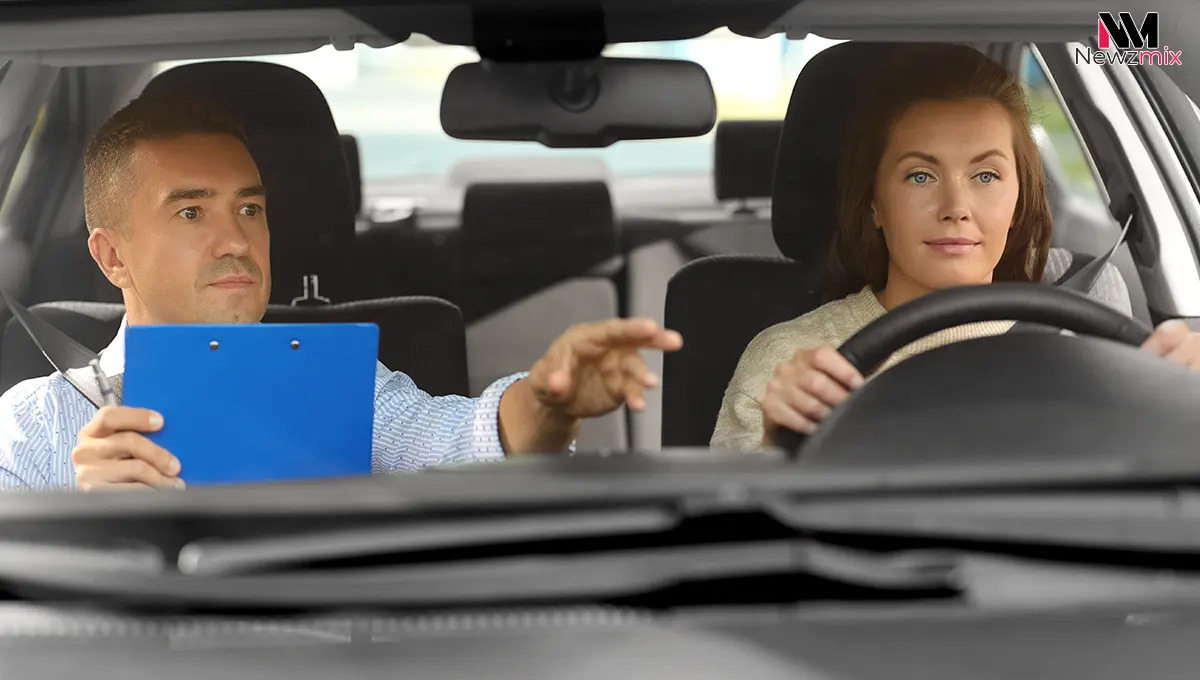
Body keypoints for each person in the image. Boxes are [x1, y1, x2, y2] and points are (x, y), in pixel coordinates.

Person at [0, 93, 683, 491]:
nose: (236, 240)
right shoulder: (34, 426)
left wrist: (547, 400)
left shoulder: (338, 382)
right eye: (191, 212)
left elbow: (463, 439)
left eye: (249, 208)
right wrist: (83, 529)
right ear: (111, 256)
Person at [711, 43, 1200, 452]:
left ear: (1019, 200)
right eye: (920, 176)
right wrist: (778, 444)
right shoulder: (793, 363)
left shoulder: (1094, 352)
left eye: (986, 175)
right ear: (874, 202)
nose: (956, 208)